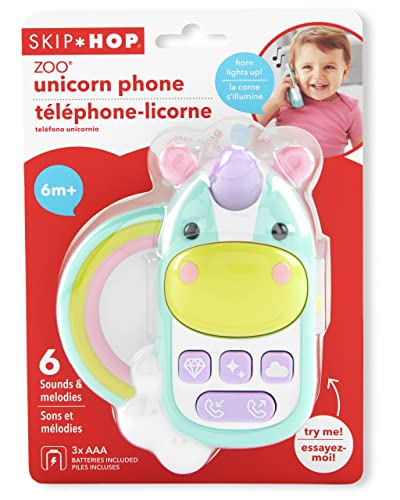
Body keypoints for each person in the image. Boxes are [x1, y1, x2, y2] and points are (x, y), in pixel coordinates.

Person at [257, 27, 363, 158]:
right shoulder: (283, 101)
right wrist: (275, 102)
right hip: (283, 169)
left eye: (329, 67)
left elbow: (361, 152)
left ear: (344, 72)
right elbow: (250, 130)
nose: (318, 76)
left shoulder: (350, 109)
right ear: (294, 72)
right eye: (307, 67)